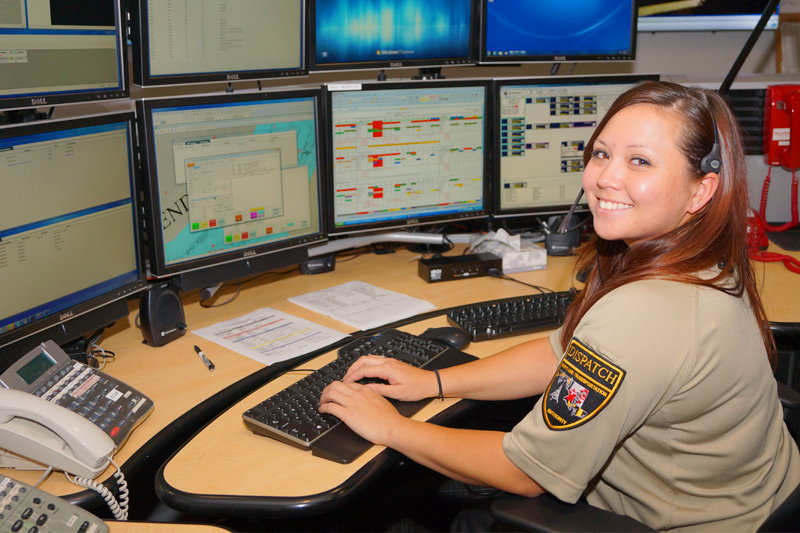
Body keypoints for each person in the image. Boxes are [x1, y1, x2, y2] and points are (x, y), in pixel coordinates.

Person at [319, 81, 800, 531]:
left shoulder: (647, 312)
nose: (606, 178)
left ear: (701, 190)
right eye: (602, 154)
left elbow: (525, 471)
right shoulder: (700, 256)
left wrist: (391, 428)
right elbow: (563, 354)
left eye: (640, 162)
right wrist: (435, 382)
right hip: (756, 501)